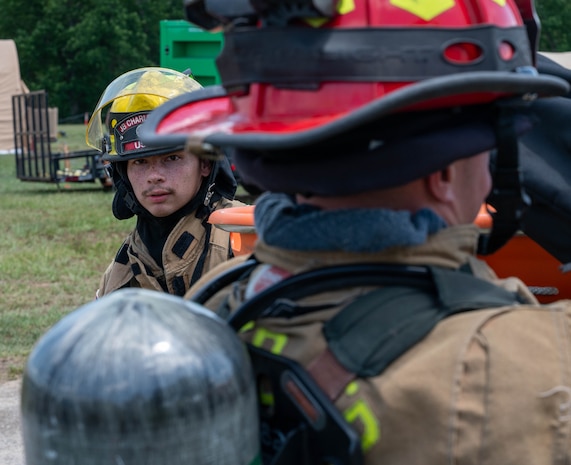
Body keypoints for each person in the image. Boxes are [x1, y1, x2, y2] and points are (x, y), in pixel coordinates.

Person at [86, 67, 244, 298]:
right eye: (139, 161)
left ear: (205, 164)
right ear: (123, 173)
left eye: (172, 158)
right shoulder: (122, 268)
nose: (154, 175)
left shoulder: (243, 238)